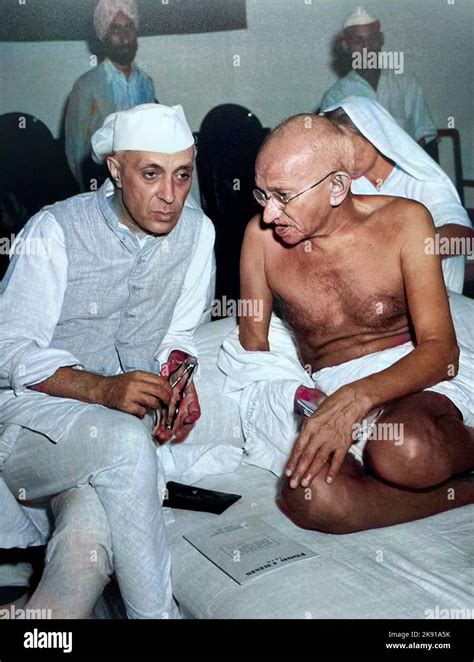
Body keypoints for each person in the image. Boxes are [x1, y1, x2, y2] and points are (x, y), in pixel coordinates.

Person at [0, 103, 215, 618]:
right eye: (151, 174)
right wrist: (103, 389)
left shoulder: (197, 233)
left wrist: (178, 375)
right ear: (116, 170)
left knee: (86, 546)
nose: (170, 195)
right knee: (122, 440)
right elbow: (7, 351)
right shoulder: (54, 230)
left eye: (182, 175)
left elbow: (178, 332)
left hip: (111, 442)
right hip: (30, 424)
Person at [218, 113, 474, 533]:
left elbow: (442, 352)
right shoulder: (259, 240)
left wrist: (356, 400)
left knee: (401, 449)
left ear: (337, 186)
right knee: (310, 496)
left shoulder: (405, 222)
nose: (268, 214)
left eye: (283, 196)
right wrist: (300, 400)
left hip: (411, 380)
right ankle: (463, 492)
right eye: (262, 195)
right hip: (332, 387)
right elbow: (255, 350)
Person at [322, 96, 473, 294]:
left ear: (374, 136)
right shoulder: (344, 183)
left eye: (350, 150)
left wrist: (402, 249)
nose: (344, 162)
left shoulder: (420, 180)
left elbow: (462, 236)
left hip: (430, 295)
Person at [65, 0, 156, 191]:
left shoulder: (146, 83)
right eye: (115, 29)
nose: (124, 37)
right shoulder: (87, 86)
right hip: (103, 190)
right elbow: (76, 153)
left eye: (129, 27)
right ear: (103, 35)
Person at [320, 5, 437, 146]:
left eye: (372, 38)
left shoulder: (407, 83)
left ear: (381, 39)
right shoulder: (336, 96)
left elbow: (425, 136)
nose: (367, 47)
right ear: (345, 46)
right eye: (358, 41)